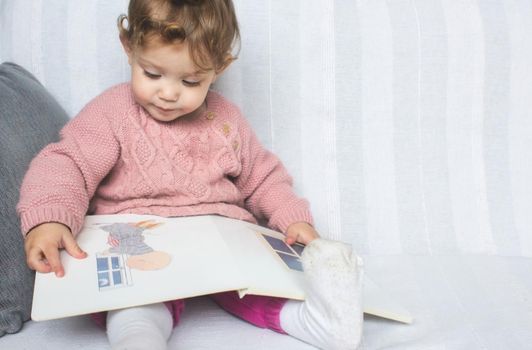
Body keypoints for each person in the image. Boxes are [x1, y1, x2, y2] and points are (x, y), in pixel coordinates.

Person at [17, 0, 362, 349]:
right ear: (129, 48)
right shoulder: (111, 113)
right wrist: (51, 218)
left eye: (191, 80)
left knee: (259, 284)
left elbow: (263, 176)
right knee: (135, 299)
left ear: (219, 68)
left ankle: (317, 321)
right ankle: (139, 338)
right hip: (140, 237)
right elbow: (67, 163)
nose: (168, 93)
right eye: (152, 74)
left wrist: (292, 218)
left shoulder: (225, 119)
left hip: (220, 240)